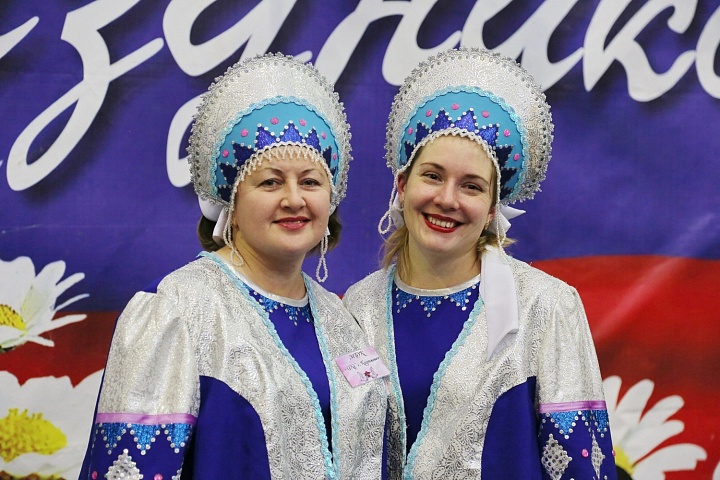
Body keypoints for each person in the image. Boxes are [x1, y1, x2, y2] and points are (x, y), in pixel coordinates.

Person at [80, 53, 386, 479]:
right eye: (270, 181)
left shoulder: (340, 320)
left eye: (310, 181)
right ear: (231, 202)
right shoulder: (176, 311)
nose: (294, 199)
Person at [344, 47, 617, 479]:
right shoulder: (357, 308)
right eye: (432, 176)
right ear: (402, 183)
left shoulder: (545, 306)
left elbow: (583, 467)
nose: (447, 199)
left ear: (492, 207)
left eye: (471, 186)